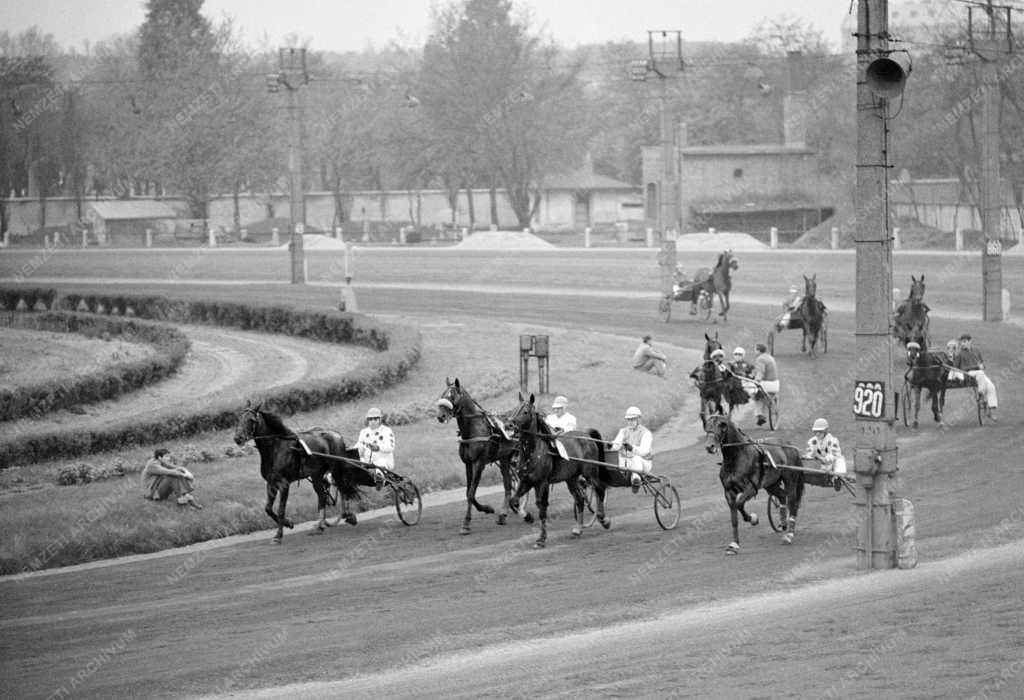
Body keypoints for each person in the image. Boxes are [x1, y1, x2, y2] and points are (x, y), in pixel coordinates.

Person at [609, 406, 654, 493]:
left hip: (644, 463)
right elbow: (617, 444)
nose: (630, 422)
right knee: (615, 458)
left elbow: (644, 451)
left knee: (636, 458)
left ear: (638, 420)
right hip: (628, 462)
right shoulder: (623, 431)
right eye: (628, 420)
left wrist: (632, 448)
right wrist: (610, 445)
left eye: (632, 419)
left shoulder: (646, 433)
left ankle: (636, 480)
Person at [955, 334, 998, 421]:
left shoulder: (976, 350)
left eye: (964, 342)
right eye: (961, 342)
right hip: (968, 373)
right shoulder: (959, 353)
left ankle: (991, 412)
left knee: (991, 387)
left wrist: (982, 365)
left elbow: (981, 362)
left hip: (979, 374)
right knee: (980, 373)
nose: (962, 344)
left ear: (970, 341)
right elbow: (956, 367)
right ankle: (981, 395)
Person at [356, 407, 396, 487]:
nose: (373, 421)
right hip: (367, 462)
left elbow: (390, 446)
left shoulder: (386, 431)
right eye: (370, 419)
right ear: (367, 420)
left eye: (375, 419)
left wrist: (378, 447)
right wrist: (357, 450)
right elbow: (359, 445)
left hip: (384, 461)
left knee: (380, 462)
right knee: (354, 461)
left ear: (380, 419)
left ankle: (380, 480)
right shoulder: (363, 432)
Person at [750, 343, 779, 426]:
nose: (754, 351)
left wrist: (757, 380)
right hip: (775, 384)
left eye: (755, 349)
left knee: (754, 395)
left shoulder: (760, 359)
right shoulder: (770, 357)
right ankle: (764, 413)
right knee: (762, 397)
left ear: (758, 351)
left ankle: (759, 415)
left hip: (766, 384)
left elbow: (760, 372)